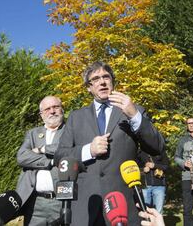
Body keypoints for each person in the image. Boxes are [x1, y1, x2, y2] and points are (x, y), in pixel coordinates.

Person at [54, 61, 164, 225]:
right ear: (89, 88)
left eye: (106, 77)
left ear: (113, 81)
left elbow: (157, 147)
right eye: (96, 79)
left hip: (123, 204)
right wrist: (88, 150)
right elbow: (59, 157)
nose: (102, 82)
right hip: (86, 206)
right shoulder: (76, 117)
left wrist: (134, 115)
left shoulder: (134, 110)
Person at [16, 96, 64, 225]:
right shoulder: (33, 133)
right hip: (34, 202)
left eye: (56, 107)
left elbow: (67, 149)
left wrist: (42, 149)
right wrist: (51, 162)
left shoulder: (70, 130)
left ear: (62, 109)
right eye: (47, 109)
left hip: (61, 201)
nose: (52, 111)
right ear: (42, 114)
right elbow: (22, 157)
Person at [137, 149, 169, 214]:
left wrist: (154, 165)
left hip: (159, 186)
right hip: (145, 186)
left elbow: (167, 166)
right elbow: (134, 168)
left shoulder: (160, 151)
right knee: (146, 212)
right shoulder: (139, 153)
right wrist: (143, 169)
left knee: (159, 212)